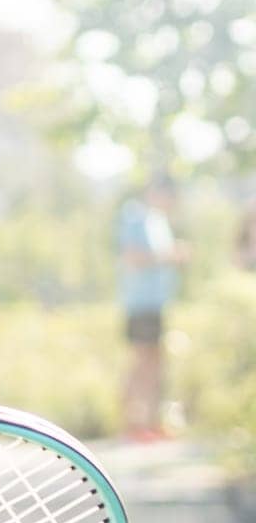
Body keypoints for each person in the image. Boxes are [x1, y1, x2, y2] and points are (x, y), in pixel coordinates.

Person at [115, 174, 185, 442]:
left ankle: (152, 423)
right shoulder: (135, 216)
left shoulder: (159, 221)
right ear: (155, 192)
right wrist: (169, 256)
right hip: (139, 302)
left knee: (157, 362)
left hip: (157, 303)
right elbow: (130, 256)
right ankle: (132, 425)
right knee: (140, 362)